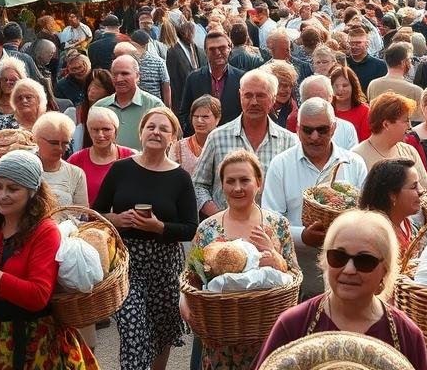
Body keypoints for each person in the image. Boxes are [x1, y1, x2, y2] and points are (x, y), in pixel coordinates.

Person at [0, 150, 98, 369]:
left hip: (38, 343)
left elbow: (38, 296)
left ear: (32, 192)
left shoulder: (45, 231)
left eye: (13, 189)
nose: (2, 195)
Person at [255, 210, 427, 370]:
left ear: (385, 269)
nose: (349, 269)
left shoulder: (407, 336)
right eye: (338, 257)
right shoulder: (294, 324)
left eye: (364, 260)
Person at [93, 107, 197, 370]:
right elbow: (96, 212)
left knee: (162, 334)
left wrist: (159, 227)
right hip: (129, 262)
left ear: (172, 137)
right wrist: (116, 220)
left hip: (165, 264)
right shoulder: (121, 169)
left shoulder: (180, 178)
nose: (156, 132)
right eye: (151, 127)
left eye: (164, 129)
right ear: (141, 132)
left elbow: (190, 228)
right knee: (133, 330)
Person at [181, 149, 298, 370]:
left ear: (258, 182)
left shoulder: (277, 225)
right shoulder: (208, 228)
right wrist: (183, 301)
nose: (237, 188)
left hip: (267, 337)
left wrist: (276, 259)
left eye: (245, 180)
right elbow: (191, 277)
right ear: (222, 185)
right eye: (230, 181)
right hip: (219, 340)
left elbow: (294, 276)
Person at [260, 98, 369, 300]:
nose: (315, 137)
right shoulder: (281, 164)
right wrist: (303, 236)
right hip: (297, 271)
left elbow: (366, 214)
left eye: (322, 130)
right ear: (297, 129)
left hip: (347, 270)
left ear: (333, 128)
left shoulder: (353, 163)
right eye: (308, 130)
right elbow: (270, 220)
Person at [192, 70, 298, 216]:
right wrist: (219, 218)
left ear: (273, 99)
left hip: (270, 226)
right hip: (224, 227)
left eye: (260, 95)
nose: (254, 102)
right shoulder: (217, 137)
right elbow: (198, 185)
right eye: (248, 95)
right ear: (240, 96)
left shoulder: (289, 141)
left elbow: (295, 190)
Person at [352, 93, 427, 192]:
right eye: (406, 121)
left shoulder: (409, 151)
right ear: (386, 124)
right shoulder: (356, 157)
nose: (410, 126)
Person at [177, 31, 243, 133]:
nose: (218, 52)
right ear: (205, 52)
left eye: (222, 48)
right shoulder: (193, 78)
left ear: (230, 48)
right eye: (212, 49)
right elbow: (184, 113)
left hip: (232, 138)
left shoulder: (241, 79)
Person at [68, 107, 136, 206]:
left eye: (106, 129)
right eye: (95, 130)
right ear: (89, 131)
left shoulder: (131, 157)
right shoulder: (76, 160)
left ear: (116, 131)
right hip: (86, 215)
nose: (100, 135)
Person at [95, 55, 165, 149]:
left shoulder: (154, 106)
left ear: (137, 76)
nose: (119, 79)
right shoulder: (100, 107)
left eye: (125, 74)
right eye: (115, 74)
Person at [358, 158, 424, 249]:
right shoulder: (376, 237)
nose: (421, 190)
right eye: (413, 186)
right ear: (392, 195)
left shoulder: (408, 224)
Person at [34, 111, 88, 206]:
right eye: (54, 143)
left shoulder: (76, 174)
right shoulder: (24, 167)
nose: (59, 148)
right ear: (37, 139)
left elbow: (82, 211)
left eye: (65, 143)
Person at [170, 94, 221, 180]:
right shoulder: (178, 147)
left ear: (217, 119)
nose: (199, 120)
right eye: (196, 116)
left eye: (205, 117)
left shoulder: (226, 144)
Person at [365, 43, 423, 117]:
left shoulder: (373, 85)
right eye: (410, 59)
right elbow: (418, 120)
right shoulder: (416, 91)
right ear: (403, 62)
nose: (411, 63)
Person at [331, 64, 372, 142]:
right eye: (336, 86)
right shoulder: (326, 109)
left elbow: (365, 142)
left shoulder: (365, 111)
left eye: (345, 85)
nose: (340, 89)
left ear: (353, 86)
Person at [344, 24, 387, 96]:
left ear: (367, 44)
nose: (354, 46)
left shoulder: (380, 66)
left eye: (358, 43)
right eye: (351, 43)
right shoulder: (343, 63)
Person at [267, 60, 299, 128]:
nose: (282, 90)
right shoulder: (260, 109)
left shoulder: (296, 113)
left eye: (287, 85)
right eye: (278, 86)